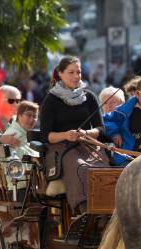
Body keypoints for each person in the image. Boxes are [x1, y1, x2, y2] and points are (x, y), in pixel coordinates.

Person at [39, 55, 110, 214]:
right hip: (61, 148)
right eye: (71, 72)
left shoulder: (89, 96)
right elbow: (45, 135)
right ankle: (83, 210)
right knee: (82, 168)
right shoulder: (51, 100)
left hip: (88, 144)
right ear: (60, 74)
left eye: (78, 72)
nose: (76, 76)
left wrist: (86, 133)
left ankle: (107, 208)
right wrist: (66, 135)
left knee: (104, 164)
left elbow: (101, 129)